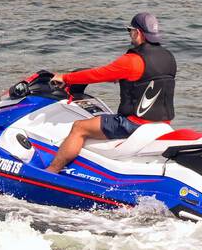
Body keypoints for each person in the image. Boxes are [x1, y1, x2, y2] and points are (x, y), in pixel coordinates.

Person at [45, 13, 176, 174]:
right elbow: (150, 79)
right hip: (163, 123)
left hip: (134, 123)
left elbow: (97, 74)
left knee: (79, 128)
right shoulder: (169, 57)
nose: (130, 35)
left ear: (137, 32)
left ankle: (51, 171)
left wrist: (65, 77)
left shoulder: (132, 60)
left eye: (130, 31)